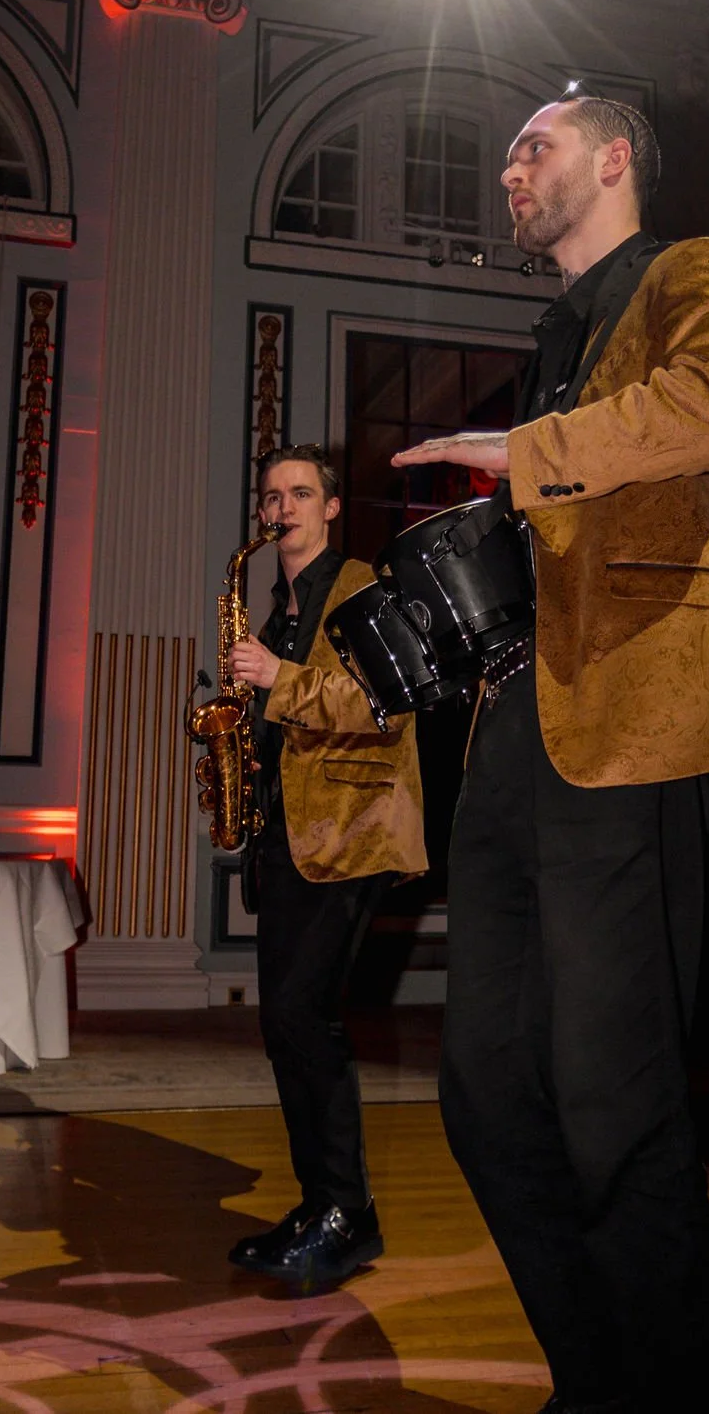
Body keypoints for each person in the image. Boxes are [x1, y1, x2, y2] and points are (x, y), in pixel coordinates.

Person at [392, 94, 709, 1414]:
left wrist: (529, 454)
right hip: (515, 742)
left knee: (619, 1114)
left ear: (613, 158)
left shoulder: (694, 272)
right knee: (488, 1094)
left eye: (535, 145)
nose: (511, 167)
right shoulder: (555, 331)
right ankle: (601, 1378)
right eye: (507, 151)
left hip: (635, 732)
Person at [225, 443, 426, 1289]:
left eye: (302, 492)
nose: (285, 507)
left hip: (348, 829)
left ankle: (346, 1214)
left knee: (307, 1018)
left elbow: (387, 698)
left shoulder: (359, 587)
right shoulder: (281, 603)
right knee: (285, 1024)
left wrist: (278, 677)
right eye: (274, 496)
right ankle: (321, 1207)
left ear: (332, 508)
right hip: (293, 834)